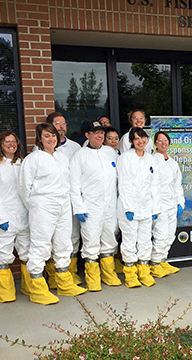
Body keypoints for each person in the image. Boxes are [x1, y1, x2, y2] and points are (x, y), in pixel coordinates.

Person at [20, 123, 87, 305]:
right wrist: (35, 205)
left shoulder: (61, 157)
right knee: (41, 245)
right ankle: (38, 288)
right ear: (39, 138)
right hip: (43, 204)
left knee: (63, 243)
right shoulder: (33, 159)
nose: (51, 139)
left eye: (54, 136)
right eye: (47, 136)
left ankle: (64, 282)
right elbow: (24, 188)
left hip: (63, 203)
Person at [70, 121, 121, 291]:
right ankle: (92, 278)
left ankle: (108, 274)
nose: (99, 136)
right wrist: (79, 207)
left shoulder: (110, 153)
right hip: (90, 207)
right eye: (95, 133)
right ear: (87, 135)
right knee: (91, 241)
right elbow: (74, 184)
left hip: (110, 206)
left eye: (101, 133)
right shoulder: (79, 155)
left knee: (109, 238)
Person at [0, 132, 30, 303]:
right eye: (7, 141)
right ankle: (6, 293)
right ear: (0, 144)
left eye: (14, 141)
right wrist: (0, 217)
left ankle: (28, 286)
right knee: (3, 256)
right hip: (4, 218)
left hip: (23, 216)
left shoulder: (22, 163)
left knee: (27, 253)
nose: (11, 144)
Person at [42, 112, 82, 286]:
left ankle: (70, 272)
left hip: (71, 199)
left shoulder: (75, 148)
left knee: (72, 236)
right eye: (57, 123)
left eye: (63, 123)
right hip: (51, 203)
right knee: (53, 238)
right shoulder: (41, 151)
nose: (61, 127)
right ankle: (53, 275)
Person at [117, 127, 161, 288]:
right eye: (136, 139)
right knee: (129, 241)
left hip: (146, 207)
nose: (140, 141)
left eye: (143, 138)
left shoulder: (151, 159)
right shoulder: (125, 158)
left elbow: (155, 185)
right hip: (129, 208)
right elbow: (124, 183)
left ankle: (144, 271)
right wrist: (128, 207)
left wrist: (155, 208)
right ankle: (130, 274)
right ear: (130, 141)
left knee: (145, 240)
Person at [150, 131, 185, 276]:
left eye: (166, 140)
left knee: (170, 235)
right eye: (160, 140)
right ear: (155, 143)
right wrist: (153, 206)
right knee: (161, 235)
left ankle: (163, 260)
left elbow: (178, 184)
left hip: (172, 203)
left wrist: (180, 202)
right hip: (159, 204)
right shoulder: (151, 160)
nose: (163, 143)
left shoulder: (173, 162)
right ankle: (154, 263)